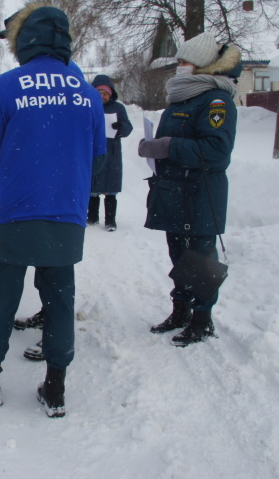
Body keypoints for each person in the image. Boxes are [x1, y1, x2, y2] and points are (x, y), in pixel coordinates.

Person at [0, 4, 107, 418]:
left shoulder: (7, 87)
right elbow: (97, 158)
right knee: (60, 297)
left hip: (12, 211)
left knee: (3, 295)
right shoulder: (88, 95)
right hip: (65, 212)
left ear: (24, 41)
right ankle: (55, 388)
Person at [137, 32, 240, 347]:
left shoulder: (215, 100)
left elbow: (217, 152)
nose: (179, 66)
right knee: (178, 254)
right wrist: (152, 147)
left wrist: (167, 146)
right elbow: (174, 143)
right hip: (174, 191)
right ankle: (179, 311)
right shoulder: (181, 99)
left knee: (198, 259)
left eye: (185, 61)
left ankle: (201, 320)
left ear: (202, 65)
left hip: (200, 193)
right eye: (179, 60)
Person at [87, 75, 133, 231]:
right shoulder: (88, 105)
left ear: (110, 94)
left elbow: (128, 127)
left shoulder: (118, 108)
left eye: (105, 93)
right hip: (94, 151)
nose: (101, 96)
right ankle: (92, 217)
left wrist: (121, 127)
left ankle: (110, 221)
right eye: (98, 92)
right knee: (92, 189)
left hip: (112, 153)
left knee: (111, 190)